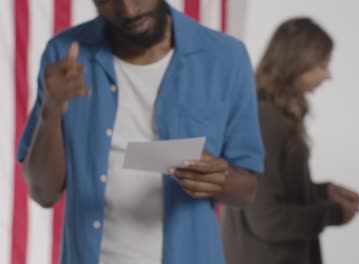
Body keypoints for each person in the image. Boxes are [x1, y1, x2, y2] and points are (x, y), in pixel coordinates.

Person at [17, 1, 264, 264]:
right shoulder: (65, 55)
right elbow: (43, 193)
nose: (129, 11)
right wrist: (50, 112)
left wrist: (218, 178)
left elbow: (246, 188)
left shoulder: (226, 57)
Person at [221, 17, 359, 264]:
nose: (327, 75)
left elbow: (274, 191)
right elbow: (268, 218)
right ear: (297, 63)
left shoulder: (271, 114)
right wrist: (333, 213)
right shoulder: (264, 118)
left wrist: (324, 192)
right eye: (322, 65)